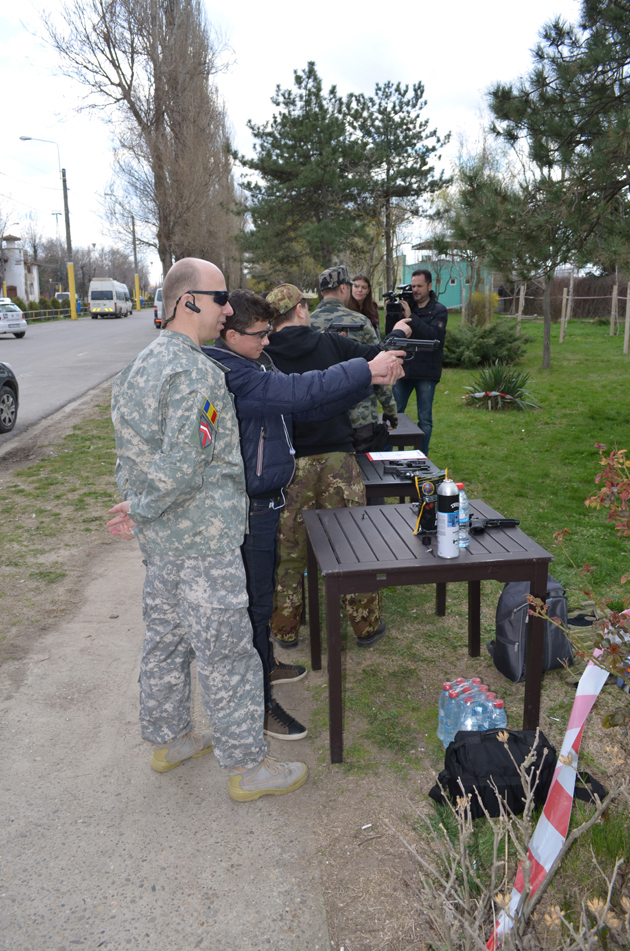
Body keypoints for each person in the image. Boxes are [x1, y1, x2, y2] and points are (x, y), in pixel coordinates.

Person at [106, 257, 307, 802]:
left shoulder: (140, 366)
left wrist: (139, 505)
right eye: (219, 298)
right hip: (203, 541)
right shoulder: (198, 373)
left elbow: (129, 455)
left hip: (165, 545)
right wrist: (142, 505)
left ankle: (169, 740)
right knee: (228, 652)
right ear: (187, 301)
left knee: (166, 643)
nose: (227, 309)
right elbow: (185, 463)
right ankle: (247, 768)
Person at [202, 289, 402, 739]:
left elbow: (302, 408)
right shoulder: (233, 372)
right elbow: (297, 391)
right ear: (231, 335)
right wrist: (365, 370)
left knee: (279, 570)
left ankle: (269, 660)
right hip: (249, 503)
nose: (268, 341)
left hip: (271, 494)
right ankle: (257, 706)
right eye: (259, 335)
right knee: (255, 599)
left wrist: (364, 383)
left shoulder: (253, 362)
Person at [264, 282, 406, 650]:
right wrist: (400, 332)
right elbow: (377, 356)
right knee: (351, 545)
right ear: (299, 310)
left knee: (290, 552)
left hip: (288, 465)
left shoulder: (262, 358)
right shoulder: (330, 343)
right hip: (338, 461)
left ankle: (285, 629)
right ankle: (365, 626)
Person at [310, 265, 400, 454]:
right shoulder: (360, 322)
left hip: (319, 418)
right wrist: (390, 410)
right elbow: (379, 367)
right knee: (365, 474)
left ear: (322, 291)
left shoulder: (307, 323)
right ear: (344, 288)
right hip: (360, 417)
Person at [394, 268, 448, 456]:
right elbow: (393, 334)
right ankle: (386, 454)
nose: (415, 289)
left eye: (419, 286)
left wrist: (411, 317)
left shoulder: (439, 310)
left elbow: (434, 337)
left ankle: (422, 457)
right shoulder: (408, 306)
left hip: (426, 371)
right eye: (413, 285)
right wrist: (393, 312)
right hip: (404, 369)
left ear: (430, 286)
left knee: (424, 419)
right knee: (393, 414)